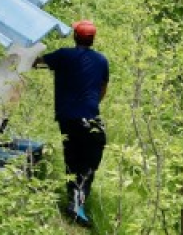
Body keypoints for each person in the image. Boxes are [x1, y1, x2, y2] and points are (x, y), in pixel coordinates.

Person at [35, 20, 109, 228]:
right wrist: (90, 105)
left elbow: (37, 62)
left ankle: (75, 203)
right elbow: (103, 88)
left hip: (67, 118)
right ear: (92, 39)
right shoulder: (101, 60)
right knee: (89, 162)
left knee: (72, 158)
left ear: (75, 36)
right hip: (90, 118)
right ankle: (77, 204)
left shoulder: (63, 56)